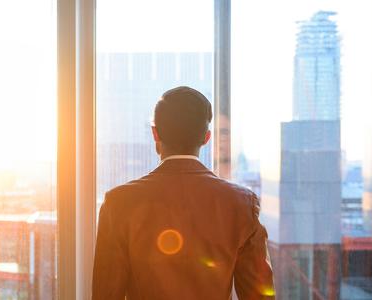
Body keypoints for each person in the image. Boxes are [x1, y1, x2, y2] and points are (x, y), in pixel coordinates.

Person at [92, 86, 274, 299]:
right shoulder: (242, 204)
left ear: (155, 133)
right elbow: (259, 295)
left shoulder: (119, 203)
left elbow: (105, 295)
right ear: (206, 138)